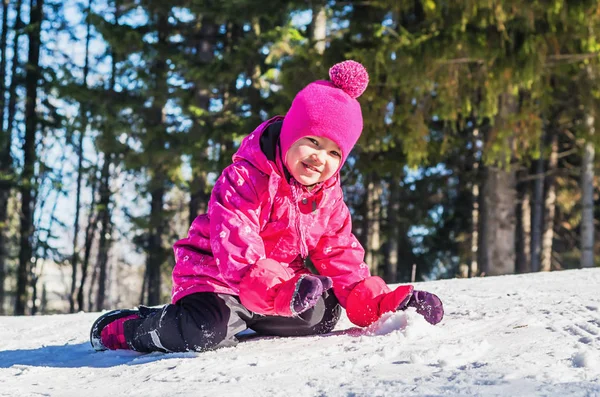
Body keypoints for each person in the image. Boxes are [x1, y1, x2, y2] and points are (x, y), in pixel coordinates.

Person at [90, 60, 444, 353]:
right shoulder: (245, 179)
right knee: (204, 332)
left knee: (321, 314)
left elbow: (342, 261)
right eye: (312, 141)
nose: (320, 158)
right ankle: (136, 328)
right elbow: (236, 246)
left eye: (334, 152)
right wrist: (277, 291)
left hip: (277, 290)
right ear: (290, 133)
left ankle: (256, 314)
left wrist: (385, 304)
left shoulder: (327, 200)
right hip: (218, 280)